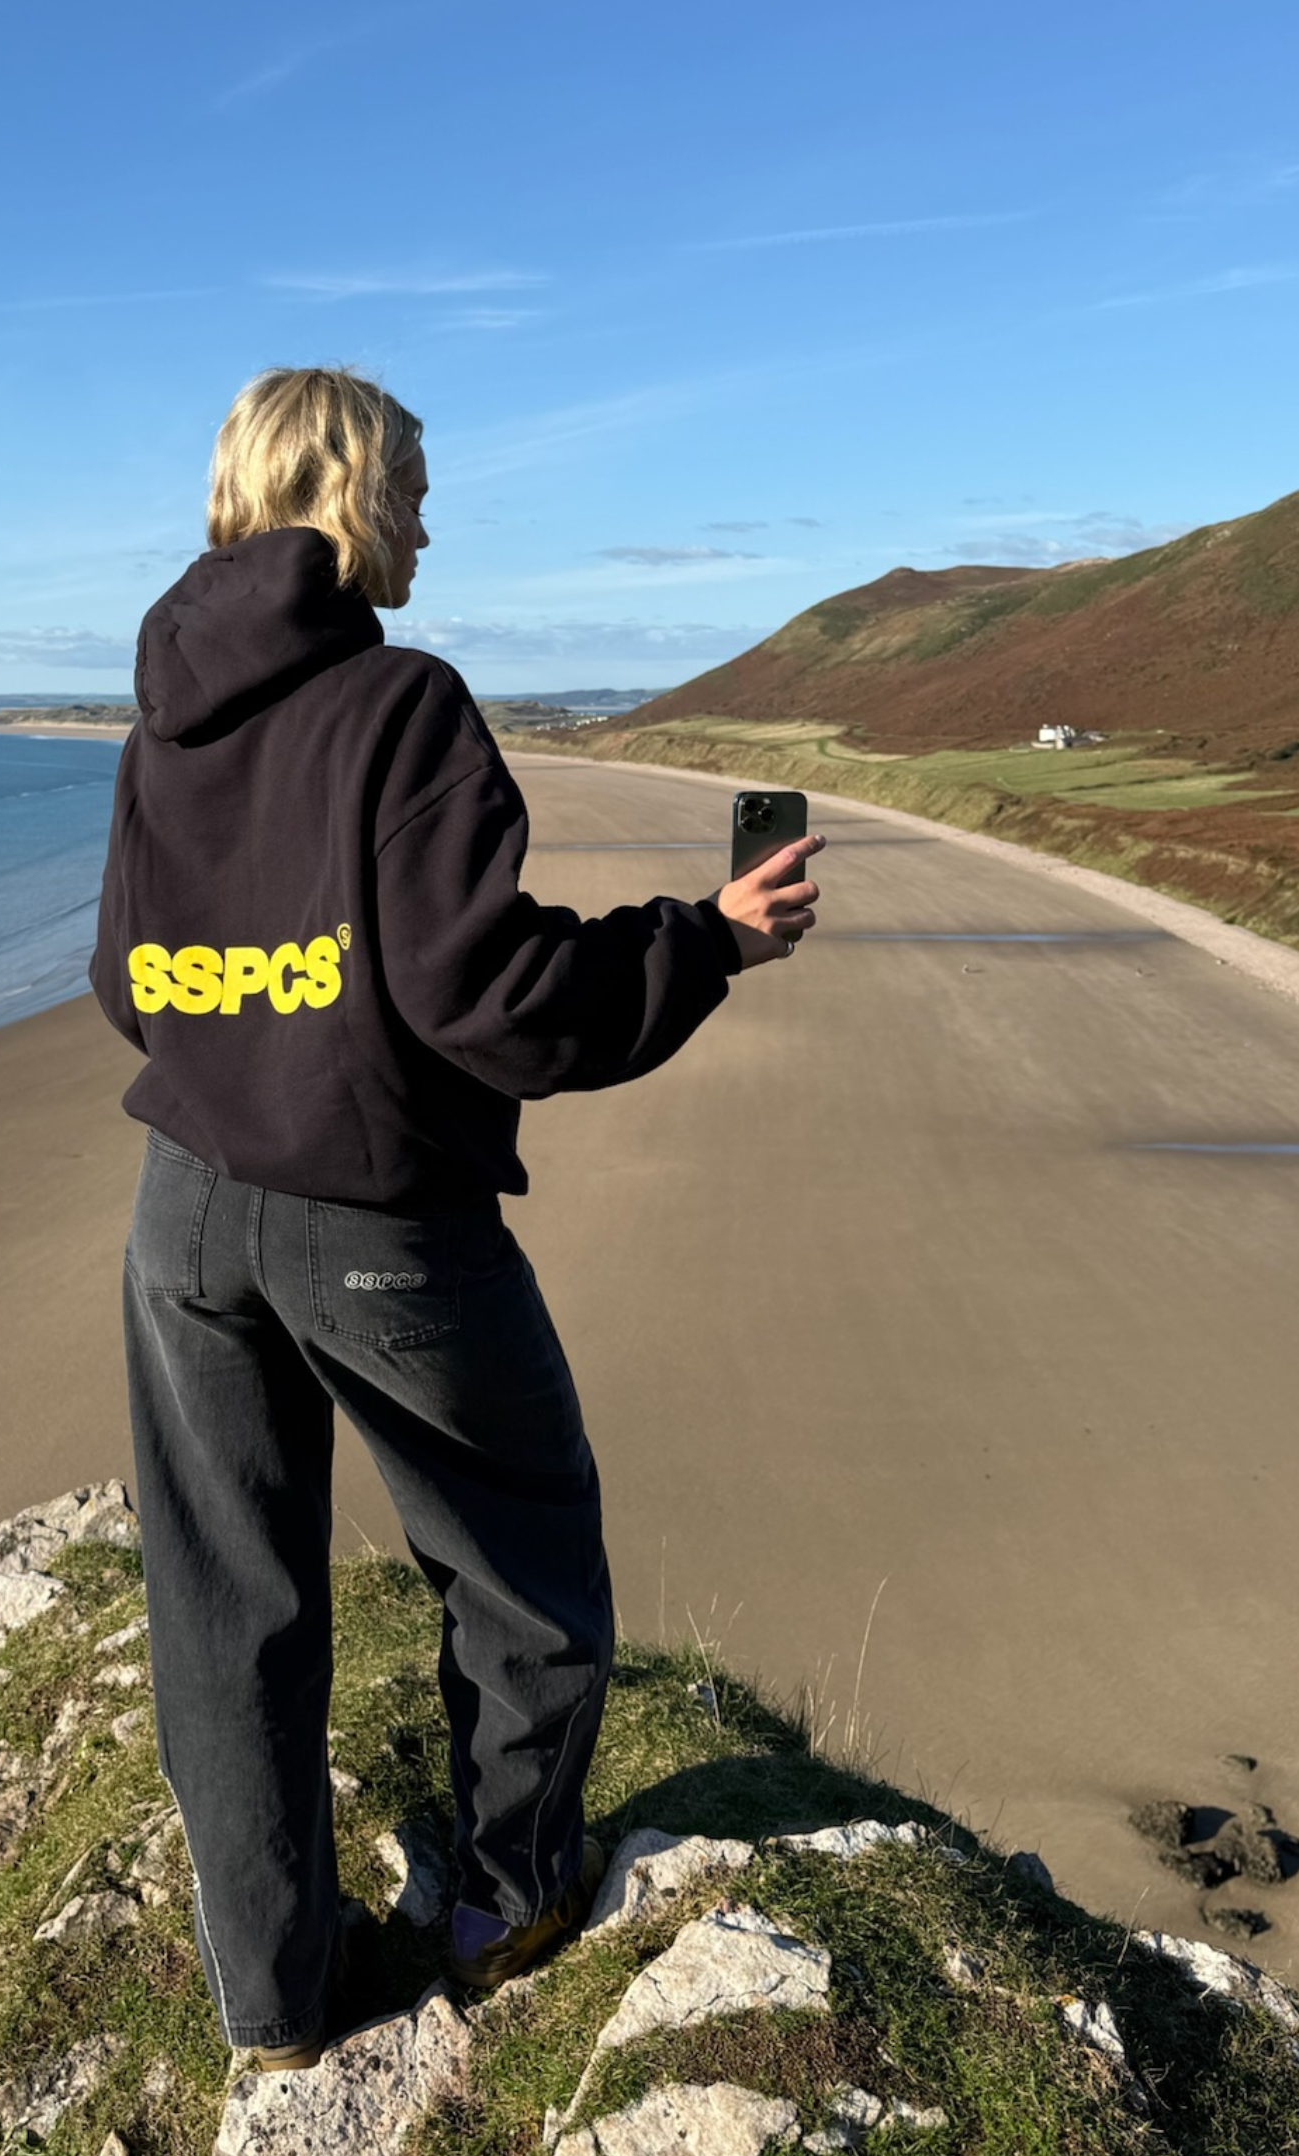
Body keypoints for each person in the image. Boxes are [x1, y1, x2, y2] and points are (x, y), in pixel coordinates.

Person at [88, 366, 821, 2068]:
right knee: (523, 1563)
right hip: (377, 1216)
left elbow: (129, 978)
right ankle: (503, 1902)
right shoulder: (400, 704)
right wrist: (707, 939)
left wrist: (261, 1030)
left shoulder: (159, 716)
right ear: (341, 491)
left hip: (180, 1213)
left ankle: (272, 2003)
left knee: (226, 1607)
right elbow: (494, 1000)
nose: (426, 520)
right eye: (409, 487)